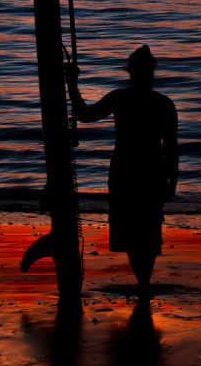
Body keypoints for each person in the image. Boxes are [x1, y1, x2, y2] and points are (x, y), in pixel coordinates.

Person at [66, 45, 178, 294]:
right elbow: (171, 146)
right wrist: (173, 178)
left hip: (125, 170)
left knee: (132, 231)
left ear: (130, 71)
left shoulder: (120, 98)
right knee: (147, 230)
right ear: (151, 72)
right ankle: (144, 284)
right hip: (151, 171)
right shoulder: (163, 104)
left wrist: (72, 85)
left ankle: (143, 284)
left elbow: (84, 115)